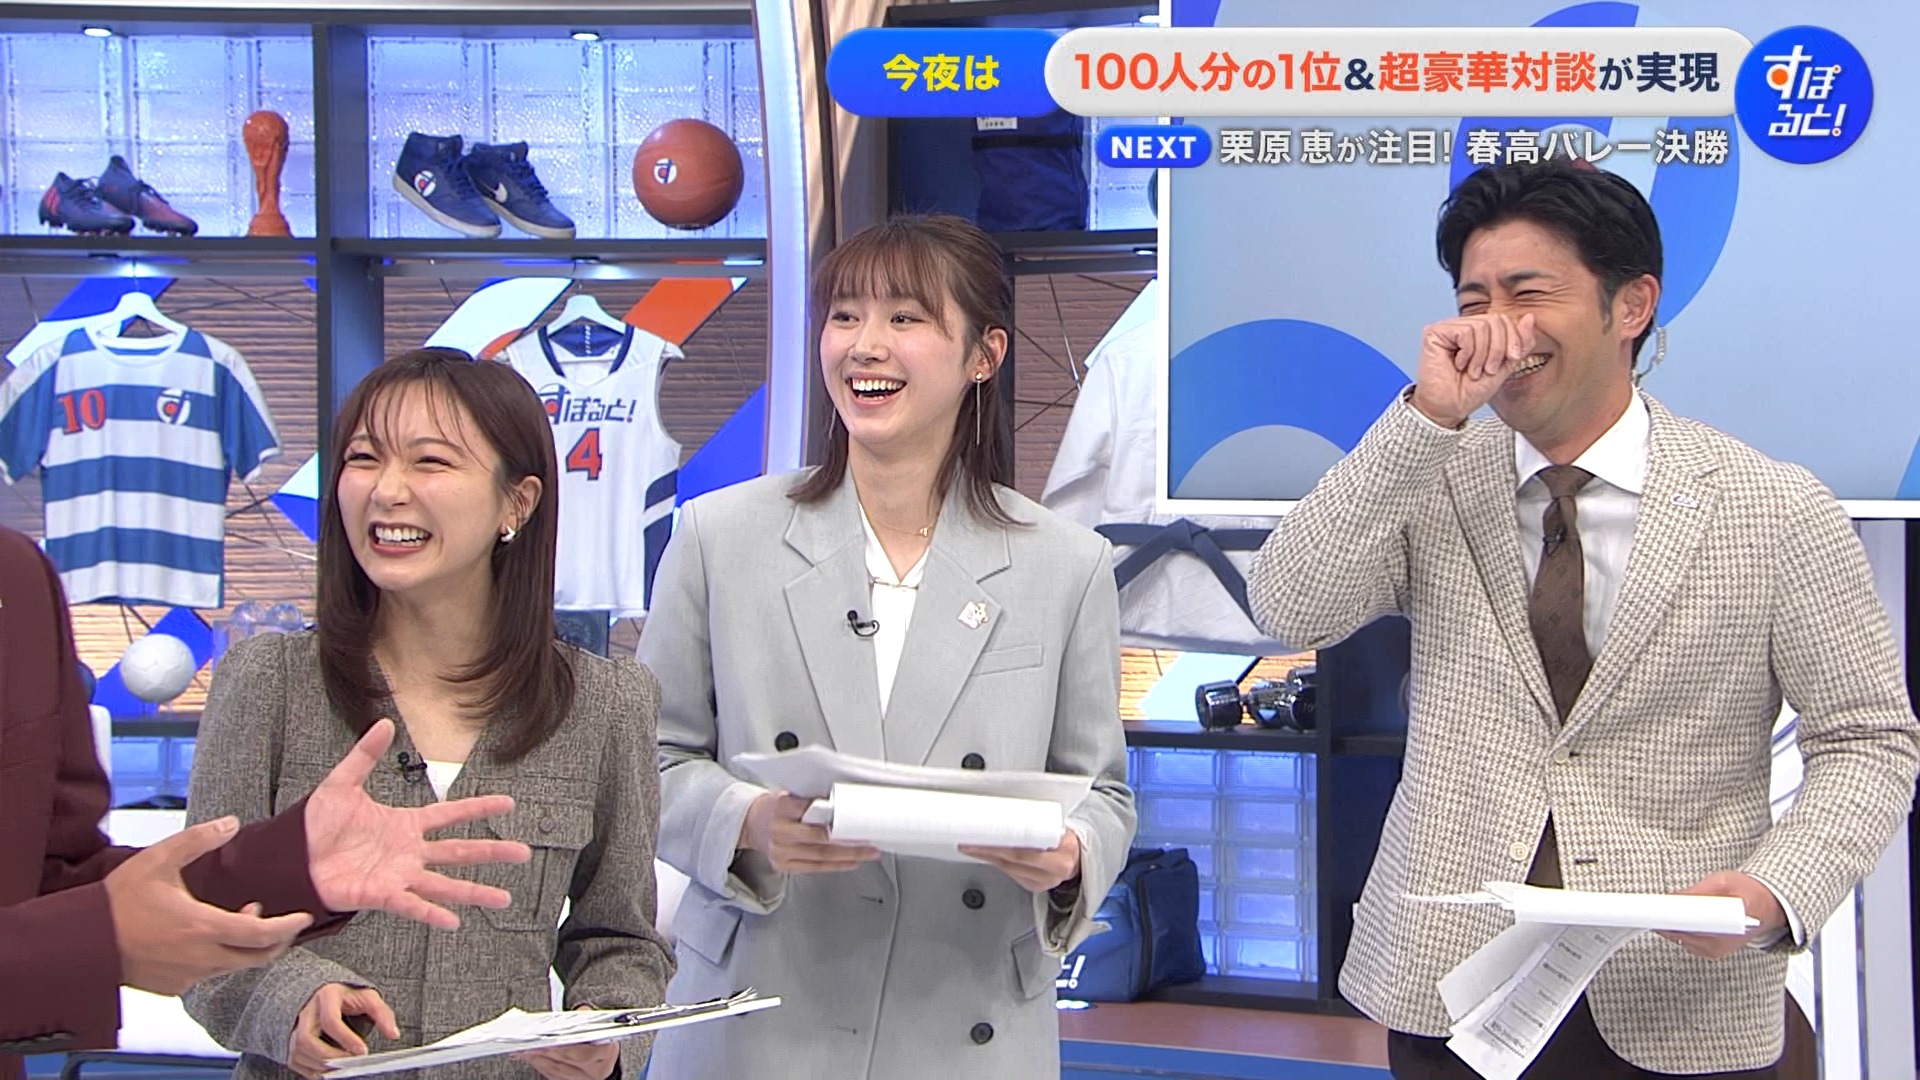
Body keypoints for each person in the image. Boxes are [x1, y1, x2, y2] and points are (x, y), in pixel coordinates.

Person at [1249, 160, 1920, 1078]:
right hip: (1454, 991)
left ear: (1631, 305)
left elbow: (1868, 739)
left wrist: (1777, 890)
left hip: (1679, 990)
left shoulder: (1774, 509)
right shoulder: (1427, 476)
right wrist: (1425, 418)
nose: (1497, 330)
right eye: (1475, 301)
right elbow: (1290, 603)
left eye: (1529, 295)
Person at [640, 214, 1136, 1079]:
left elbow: (1105, 794)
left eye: (905, 318)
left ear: (984, 354)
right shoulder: (719, 537)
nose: (864, 346)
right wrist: (746, 821)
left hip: (964, 1010)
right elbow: (648, 760)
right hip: (763, 1009)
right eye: (845, 317)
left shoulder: (1066, 564)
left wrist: (1070, 856)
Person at [182, 349, 674, 1080]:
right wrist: (292, 1001)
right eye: (363, 459)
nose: (387, 491)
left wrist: (606, 1037)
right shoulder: (267, 682)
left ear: (516, 503)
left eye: (430, 462)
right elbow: (197, 923)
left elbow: (621, 940)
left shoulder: (605, 704)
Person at [0, 523, 534, 1080]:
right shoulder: (267, 673)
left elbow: (49, 880)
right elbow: (89, 923)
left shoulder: (17, 575)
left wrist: (287, 868)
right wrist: (96, 940)